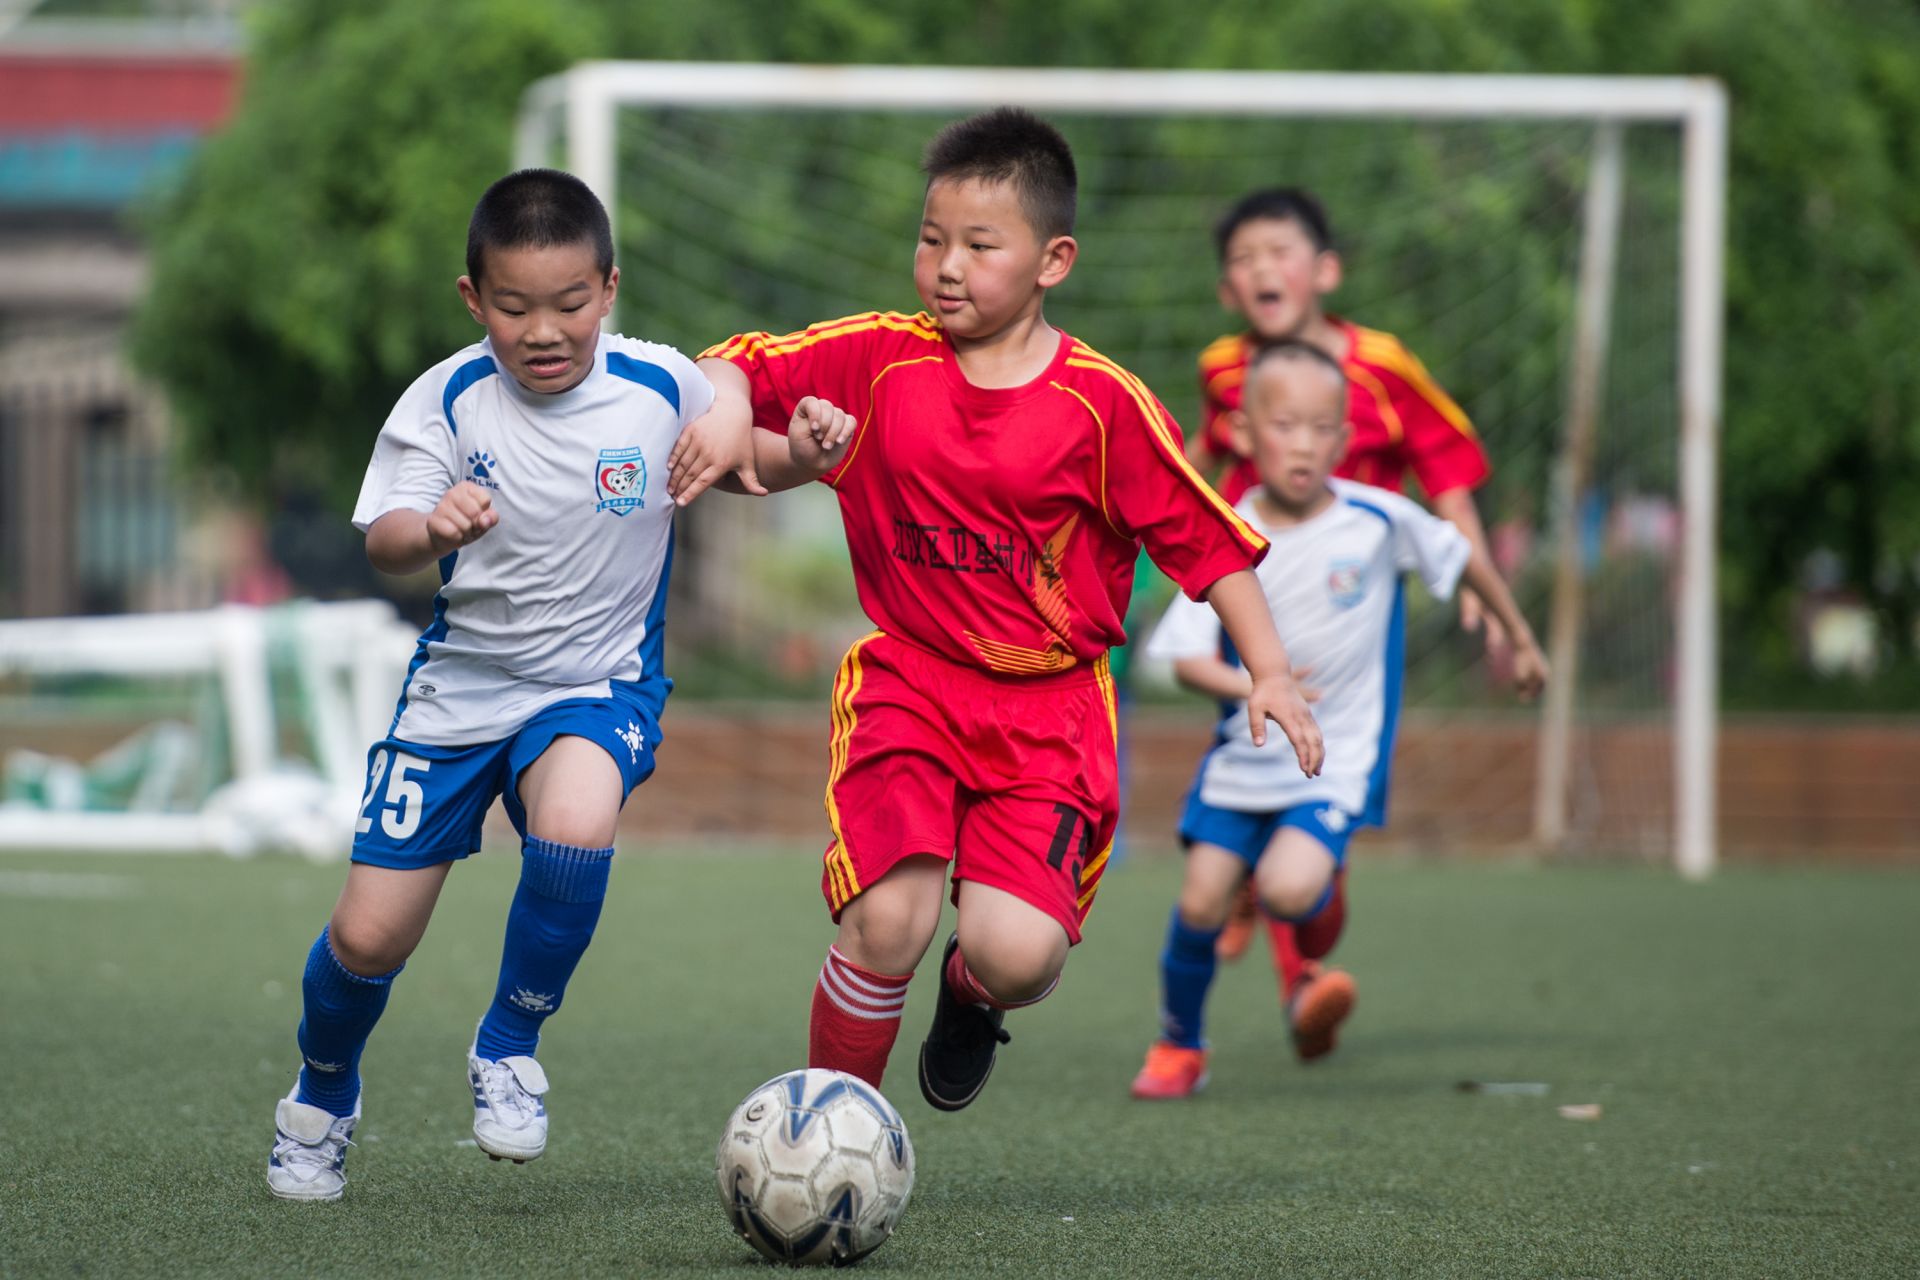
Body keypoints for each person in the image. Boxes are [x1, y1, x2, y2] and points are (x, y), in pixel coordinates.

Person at [667, 107, 1325, 1112]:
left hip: (1051, 712)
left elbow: (1208, 546)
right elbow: (732, 364)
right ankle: (829, 1125)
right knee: (890, 918)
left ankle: (973, 997)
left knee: (1014, 952)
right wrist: (726, 426)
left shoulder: (1103, 405)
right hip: (911, 681)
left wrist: (1271, 670)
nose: (946, 266)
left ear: (1053, 258)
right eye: (932, 239)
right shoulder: (879, 355)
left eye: (981, 245)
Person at [262, 169, 831, 1201]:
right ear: (474, 299)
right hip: (458, 693)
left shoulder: (660, 388)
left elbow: (747, 456)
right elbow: (385, 535)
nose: (544, 328)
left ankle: (509, 1039)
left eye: (569, 302)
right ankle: (321, 1093)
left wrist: (808, 450)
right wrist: (431, 528)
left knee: (576, 820)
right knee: (367, 934)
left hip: (595, 683)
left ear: (608, 289)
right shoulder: (445, 398)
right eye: (516, 306)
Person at [1130, 339, 1547, 1098]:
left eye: (1323, 427)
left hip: (1337, 759)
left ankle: (1313, 894)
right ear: (1246, 436)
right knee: (1197, 901)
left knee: (1291, 893)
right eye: (1284, 424)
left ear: (1345, 441)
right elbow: (1183, 657)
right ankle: (1178, 1047)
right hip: (1241, 760)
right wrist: (1257, 682)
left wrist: (1518, 640)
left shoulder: (1379, 518)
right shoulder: (1222, 531)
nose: (1304, 442)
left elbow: (1465, 560)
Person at [1189, 187, 1508, 1017]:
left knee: (1322, 764)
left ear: (1324, 269)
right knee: (1255, 748)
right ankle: (1289, 954)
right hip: (1251, 591)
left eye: (1279, 252)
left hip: (1355, 613)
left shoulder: (1385, 366)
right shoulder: (1224, 369)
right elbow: (1201, 460)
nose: (1263, 269)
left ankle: (1293, 953)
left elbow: (1444, 473)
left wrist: (1473, 576)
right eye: (1244, 258)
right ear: (1228, 287)